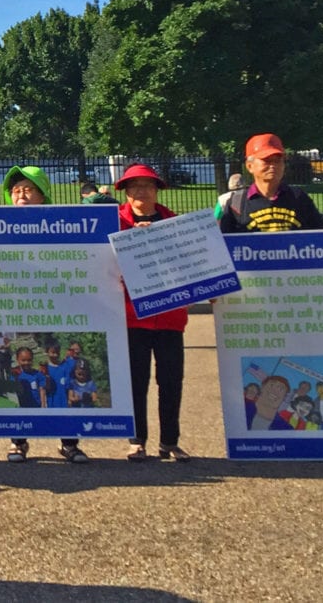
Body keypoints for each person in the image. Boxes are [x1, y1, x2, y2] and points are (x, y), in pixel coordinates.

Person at [0, 164, 89, 464]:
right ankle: (18, 442)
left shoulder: (62, 223)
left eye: (28, 188)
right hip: (15, 309)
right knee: (23, 379)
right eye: (16, 189)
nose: (21, 194)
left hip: (54, 311)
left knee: (59, 379)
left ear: (43, 194)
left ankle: (69, 442)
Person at [114, 163, 190, 462]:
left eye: (146, 185)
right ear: (126, 192)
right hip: (132, 316)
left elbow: (190, 263)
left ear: (157, 189)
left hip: (170, 316)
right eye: (133, 186)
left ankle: (170, 441)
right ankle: (137, 440)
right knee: (136, 380)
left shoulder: (175, 223)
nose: (140, 191)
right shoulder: (116, 222)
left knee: (171, 381)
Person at [219, 134, 323, 233]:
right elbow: (221, 246)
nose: (273, 166)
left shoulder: (299, 199)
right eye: (267, 160)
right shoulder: (237, 204)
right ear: (249, 166)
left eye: (278, 161)